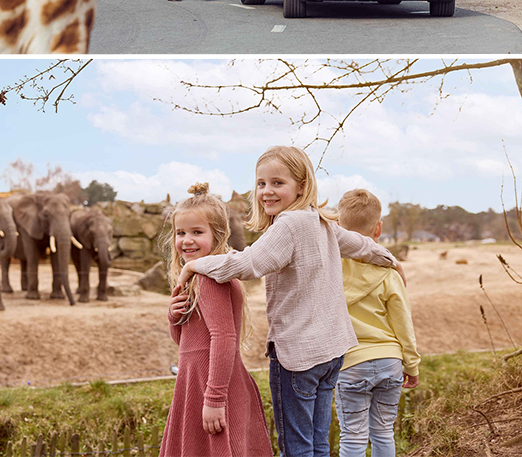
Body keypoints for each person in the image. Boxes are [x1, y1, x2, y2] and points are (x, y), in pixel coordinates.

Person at [176, 146, 400, 457]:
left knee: (297, 449)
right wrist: (390, 259)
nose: (266, 191)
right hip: (331, 352)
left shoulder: (289, 225)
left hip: (298, 357)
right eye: (261, 183)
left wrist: (194, 265)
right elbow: (359, 245)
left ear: (302, 186)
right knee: (318, 443)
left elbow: (247, 265)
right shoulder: (318, 220)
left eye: (277, 183)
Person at [160, 184, 273, 457]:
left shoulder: (209, 278)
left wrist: (214, 399)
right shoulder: (193, 278)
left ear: (218, 234)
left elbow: (224, 338)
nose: (187, 240)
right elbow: (185, 343)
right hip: (196, 381)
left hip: (213, 385)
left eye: (197, 232)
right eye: (181, 233)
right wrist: (174, 317)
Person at [335, 189, 420, 457]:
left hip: (351, 364)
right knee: (384, 432)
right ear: (379, 228)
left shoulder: (331, 269)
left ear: (337, 227)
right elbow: (403, 324)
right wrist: (412, 365)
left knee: (353, 437)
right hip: (389, 361)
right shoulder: (389, 272)